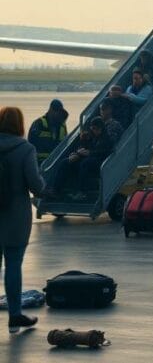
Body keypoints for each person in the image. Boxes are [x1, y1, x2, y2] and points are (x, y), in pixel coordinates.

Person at [0, 106, 46, 333]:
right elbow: (35, 185)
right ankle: (15, 316)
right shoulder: (25, 148)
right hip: (15, 215)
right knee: (13, 264)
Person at [58, 117, 115, 200]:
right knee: (66, 162)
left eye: (95, 129)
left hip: (101, 161)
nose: (93, 131)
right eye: (92, 129)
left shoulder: (106, 138)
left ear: (101, 128)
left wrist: (90, 153)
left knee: (85, 163)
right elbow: (84, 147)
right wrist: (77, 152)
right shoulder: (92, 137)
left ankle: (82, 191)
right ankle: (57, 189)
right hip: (89, 158)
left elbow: (104, 152)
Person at [27, 99, 68, 164]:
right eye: (55, 110)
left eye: (59, 111)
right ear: (50, 110)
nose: (57, 113)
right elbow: (30, 143)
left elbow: (66, 144)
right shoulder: (39, 123)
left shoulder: (62, 126)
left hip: (57, 161)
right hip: (39, 162)